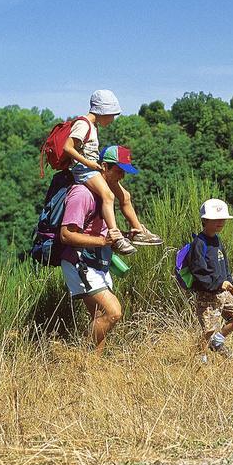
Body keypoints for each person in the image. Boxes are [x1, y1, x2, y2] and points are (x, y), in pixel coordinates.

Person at [61, 89, 163, 255]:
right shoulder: (83, 124)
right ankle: (116, 237)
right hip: (85, 170)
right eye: (112, 114)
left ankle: (138, 231)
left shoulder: (93, 127)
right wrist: (91, 164)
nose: (113, 119)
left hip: (91, 167)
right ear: (103, 110)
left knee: (125, 196)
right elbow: (67, 147)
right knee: (109, 196)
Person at [57, 149, 138, 354]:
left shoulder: (104, 197)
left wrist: (124, 236)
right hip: (80, 262)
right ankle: (78, 356)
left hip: (96, 262)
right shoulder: (82, 194)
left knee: (100, 317)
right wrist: (103, 241)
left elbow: (101, 231)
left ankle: (91, 367)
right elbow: (66, 235)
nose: (122, 177)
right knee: (113, 313)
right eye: (119, 171)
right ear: (104, 167)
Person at [186, 198, 233, 360]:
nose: (220, 222)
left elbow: (224, 263)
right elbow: (198, 271)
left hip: (222, 292)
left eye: (222, 219)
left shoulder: (217, 240)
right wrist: (220, 283)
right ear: (205, 220)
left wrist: (229, 281)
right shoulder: (199, 243)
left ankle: (217, 343)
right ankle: (200, 360)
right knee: (208, 330)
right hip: (207, 295)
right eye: (216, 219)